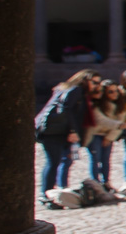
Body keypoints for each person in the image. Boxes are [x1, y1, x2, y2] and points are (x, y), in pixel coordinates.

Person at [34, 69, 96, 210]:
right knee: (53, 162)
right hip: (54, 132)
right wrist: (73, 131)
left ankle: (56, 191)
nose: (96, 85)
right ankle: (46, 194)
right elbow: (66, 108)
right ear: (85, 80)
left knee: (62, 161)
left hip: (59, 132)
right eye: (94, 82)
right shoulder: (76, 90)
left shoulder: (71, 90)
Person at [86, 81, 126, 193]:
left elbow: (121, 121)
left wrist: (110, 137)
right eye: (110, 91)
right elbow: (100, 120)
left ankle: (106, 182)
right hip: (95, 135)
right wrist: (117, 125)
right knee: (95, 158)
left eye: (116, 91)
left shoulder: (120, 105)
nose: (114, 94)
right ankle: (95, 183)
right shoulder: (97, 105)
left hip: (108, 135)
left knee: (106, 159)